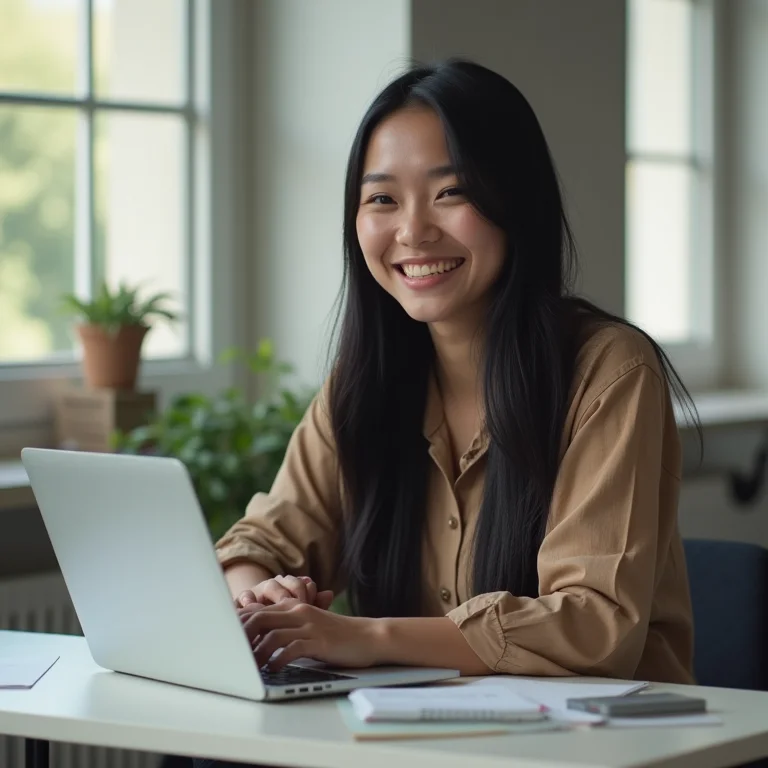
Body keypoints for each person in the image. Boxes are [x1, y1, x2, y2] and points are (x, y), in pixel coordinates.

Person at [193, 56, 699, 768]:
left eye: (450, 193)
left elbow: (593, 626)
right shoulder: (364, 382)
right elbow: (257, 546)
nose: (413, 231)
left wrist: (362, 639)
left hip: (598, 750)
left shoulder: (608, 372)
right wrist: (261, 601)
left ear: (513, 202)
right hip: (413, 745)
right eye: (382, 200)